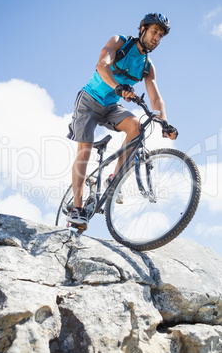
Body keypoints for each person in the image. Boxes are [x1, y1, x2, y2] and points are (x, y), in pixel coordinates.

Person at [66, 13, 178, 228]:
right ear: (143, 29)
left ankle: (113, 179)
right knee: (85, 150)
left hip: (110, 107)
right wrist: (117, 86)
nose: (157, 38)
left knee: (136, 127)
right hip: (89, 100)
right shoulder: (120, 42)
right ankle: (76, 208)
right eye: (155, 32)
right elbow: (102, 64)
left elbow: (155, 97)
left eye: (161, 36)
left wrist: (164, 122)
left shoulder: (147, 66)